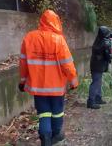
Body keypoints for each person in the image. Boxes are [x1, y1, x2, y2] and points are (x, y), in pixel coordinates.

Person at [19, 10, 79, 146]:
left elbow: (23, 63)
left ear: (42, 21)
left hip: (38, 87)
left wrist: (22, 81)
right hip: (56, 87)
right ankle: (56, 135)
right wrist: (74, 81)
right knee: (57, 112)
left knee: (44, 113)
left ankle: (45, 139)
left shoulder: (29, 38)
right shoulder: (59, 40)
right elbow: (67, 64)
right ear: (56, 22)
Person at [87, 26, 112, 109]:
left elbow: (108, 36)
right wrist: (111, 56)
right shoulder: (105, 44)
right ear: (104, 35)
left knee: (98, 82)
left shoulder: (99, 38)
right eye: (107, 33)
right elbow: (107, 56)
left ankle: (98, 98)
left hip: (96, 64)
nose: (108, 35)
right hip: (98, 65)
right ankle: (91, 102)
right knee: (95, 83)